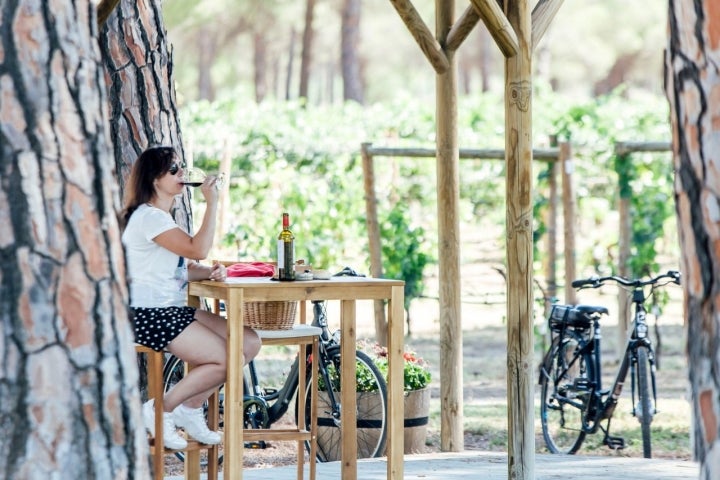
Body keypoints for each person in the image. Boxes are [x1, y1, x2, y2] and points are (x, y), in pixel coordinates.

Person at [120, 146, 261, 449]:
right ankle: (160, 409)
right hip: (148, 314)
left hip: (169, 309)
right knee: (228, 358)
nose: (181, 175)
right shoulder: (150, 218)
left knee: (249, 341)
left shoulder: (160, 218)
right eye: (173, 170)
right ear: (155, 180)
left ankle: (190, 409)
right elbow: (198, 249)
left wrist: (210, 273)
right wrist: (212, 203)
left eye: (181, 168)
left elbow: (180, 268)